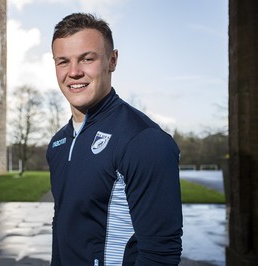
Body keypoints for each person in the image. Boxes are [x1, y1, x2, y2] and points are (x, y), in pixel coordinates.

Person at [46, 13, 183, 265]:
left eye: (87, 59)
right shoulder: (58, 143)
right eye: (63, 62)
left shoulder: (144, 140)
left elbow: (161, 253)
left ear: (112, 60)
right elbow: (63, 228)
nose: (74, 72)